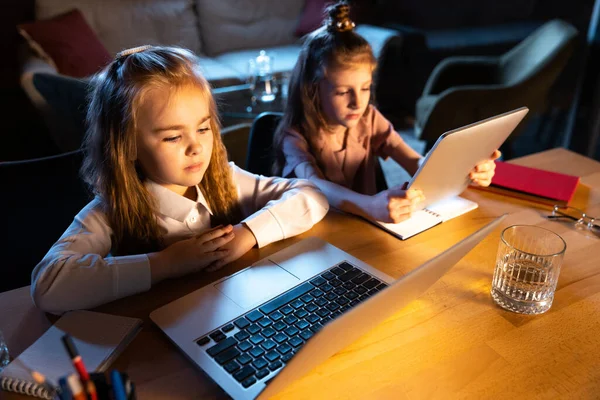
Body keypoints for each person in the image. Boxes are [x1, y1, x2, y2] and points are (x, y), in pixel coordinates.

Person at [31, 46, 329, 314]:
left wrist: (246, 235)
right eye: (173, 136)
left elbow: (311, 195)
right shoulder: (111, 211)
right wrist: (165, 264)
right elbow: (48, 286)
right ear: (128, 145)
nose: (196, 147)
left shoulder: (224, 180)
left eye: (203, 129)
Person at [272, 1, 500, 224]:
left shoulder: (368, 118)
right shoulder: (294, 136)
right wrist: (369, 205)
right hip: (318, 235)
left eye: (365, 88)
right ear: (312, 89)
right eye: (343, 92)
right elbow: (315, 185)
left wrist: (462, 173)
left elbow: (415, 162)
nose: (357, 102)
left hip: (364, 230)